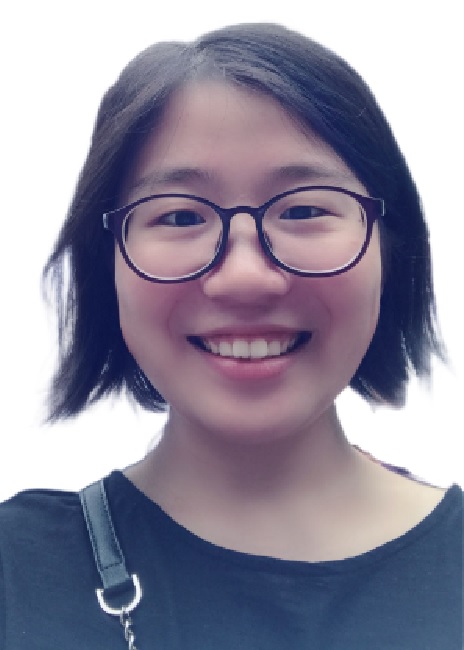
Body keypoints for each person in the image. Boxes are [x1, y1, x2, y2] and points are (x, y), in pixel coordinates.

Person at [0, 22, 462, 650]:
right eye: (179, 215)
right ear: (104, 267)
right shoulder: (19, 574)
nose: (245, 277)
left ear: (392, 249)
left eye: (304, 209)